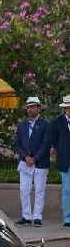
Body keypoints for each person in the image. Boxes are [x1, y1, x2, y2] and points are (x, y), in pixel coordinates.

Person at [14, 97, 51, 227]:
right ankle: (26, 216)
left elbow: (46, 144)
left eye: (33, 107)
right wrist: (25, 157)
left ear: (39, 108)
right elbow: (17, 145)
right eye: (29, 107)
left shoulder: (46, 124)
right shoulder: (21, 125)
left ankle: (37, 217)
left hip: (40, 163)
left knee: (40, 190)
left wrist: (35, 158)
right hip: (25, 163)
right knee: (24, 190)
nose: (30, 109)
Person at [52, 95, 70, 228]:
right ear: (66, 109)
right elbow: (54, 141)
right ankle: (68, 218)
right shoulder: (57, 122)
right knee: (67, 190)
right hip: (65, 161)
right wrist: (54, 149)